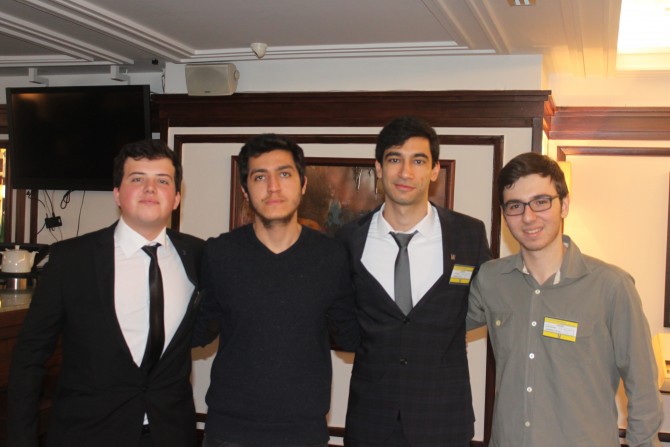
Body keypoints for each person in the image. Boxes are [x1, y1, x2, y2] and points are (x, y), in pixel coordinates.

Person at [8, 139, 205, 447]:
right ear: (117, 194)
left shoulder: (199, 255)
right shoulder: (70, 259)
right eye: (137, 179)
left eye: (163, 181)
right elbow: (29, 356)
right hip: (87, 432)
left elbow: (207, 325)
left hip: (170, 432)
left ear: (177, 198)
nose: (150, 188)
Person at [467, 152, 663, 447]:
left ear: (565, 205)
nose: (528, 217)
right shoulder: (491, 280)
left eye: (541, 202)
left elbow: (643, 387)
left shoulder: (612, 287)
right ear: (504, 215)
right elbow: (440, 327)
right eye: (515, 206)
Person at [193, 134, 359, 447]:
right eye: (260, 177)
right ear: (245, 190)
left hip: (304, 433)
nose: (273, 187)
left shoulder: (331, 257)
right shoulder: (220, 254)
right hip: (228, 433)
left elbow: (351, 334)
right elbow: (197, 330)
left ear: (303, 184)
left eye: (284, 174)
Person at [336, 116, 492, 447]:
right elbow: (340, 321)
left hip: (444, 420)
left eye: (418, 161)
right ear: (379, 168)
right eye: (395, 159)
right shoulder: (348, 240)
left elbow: (489, 304)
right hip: (370, 421)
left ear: (434, 170)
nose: (405, 172)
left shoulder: (468, 234)